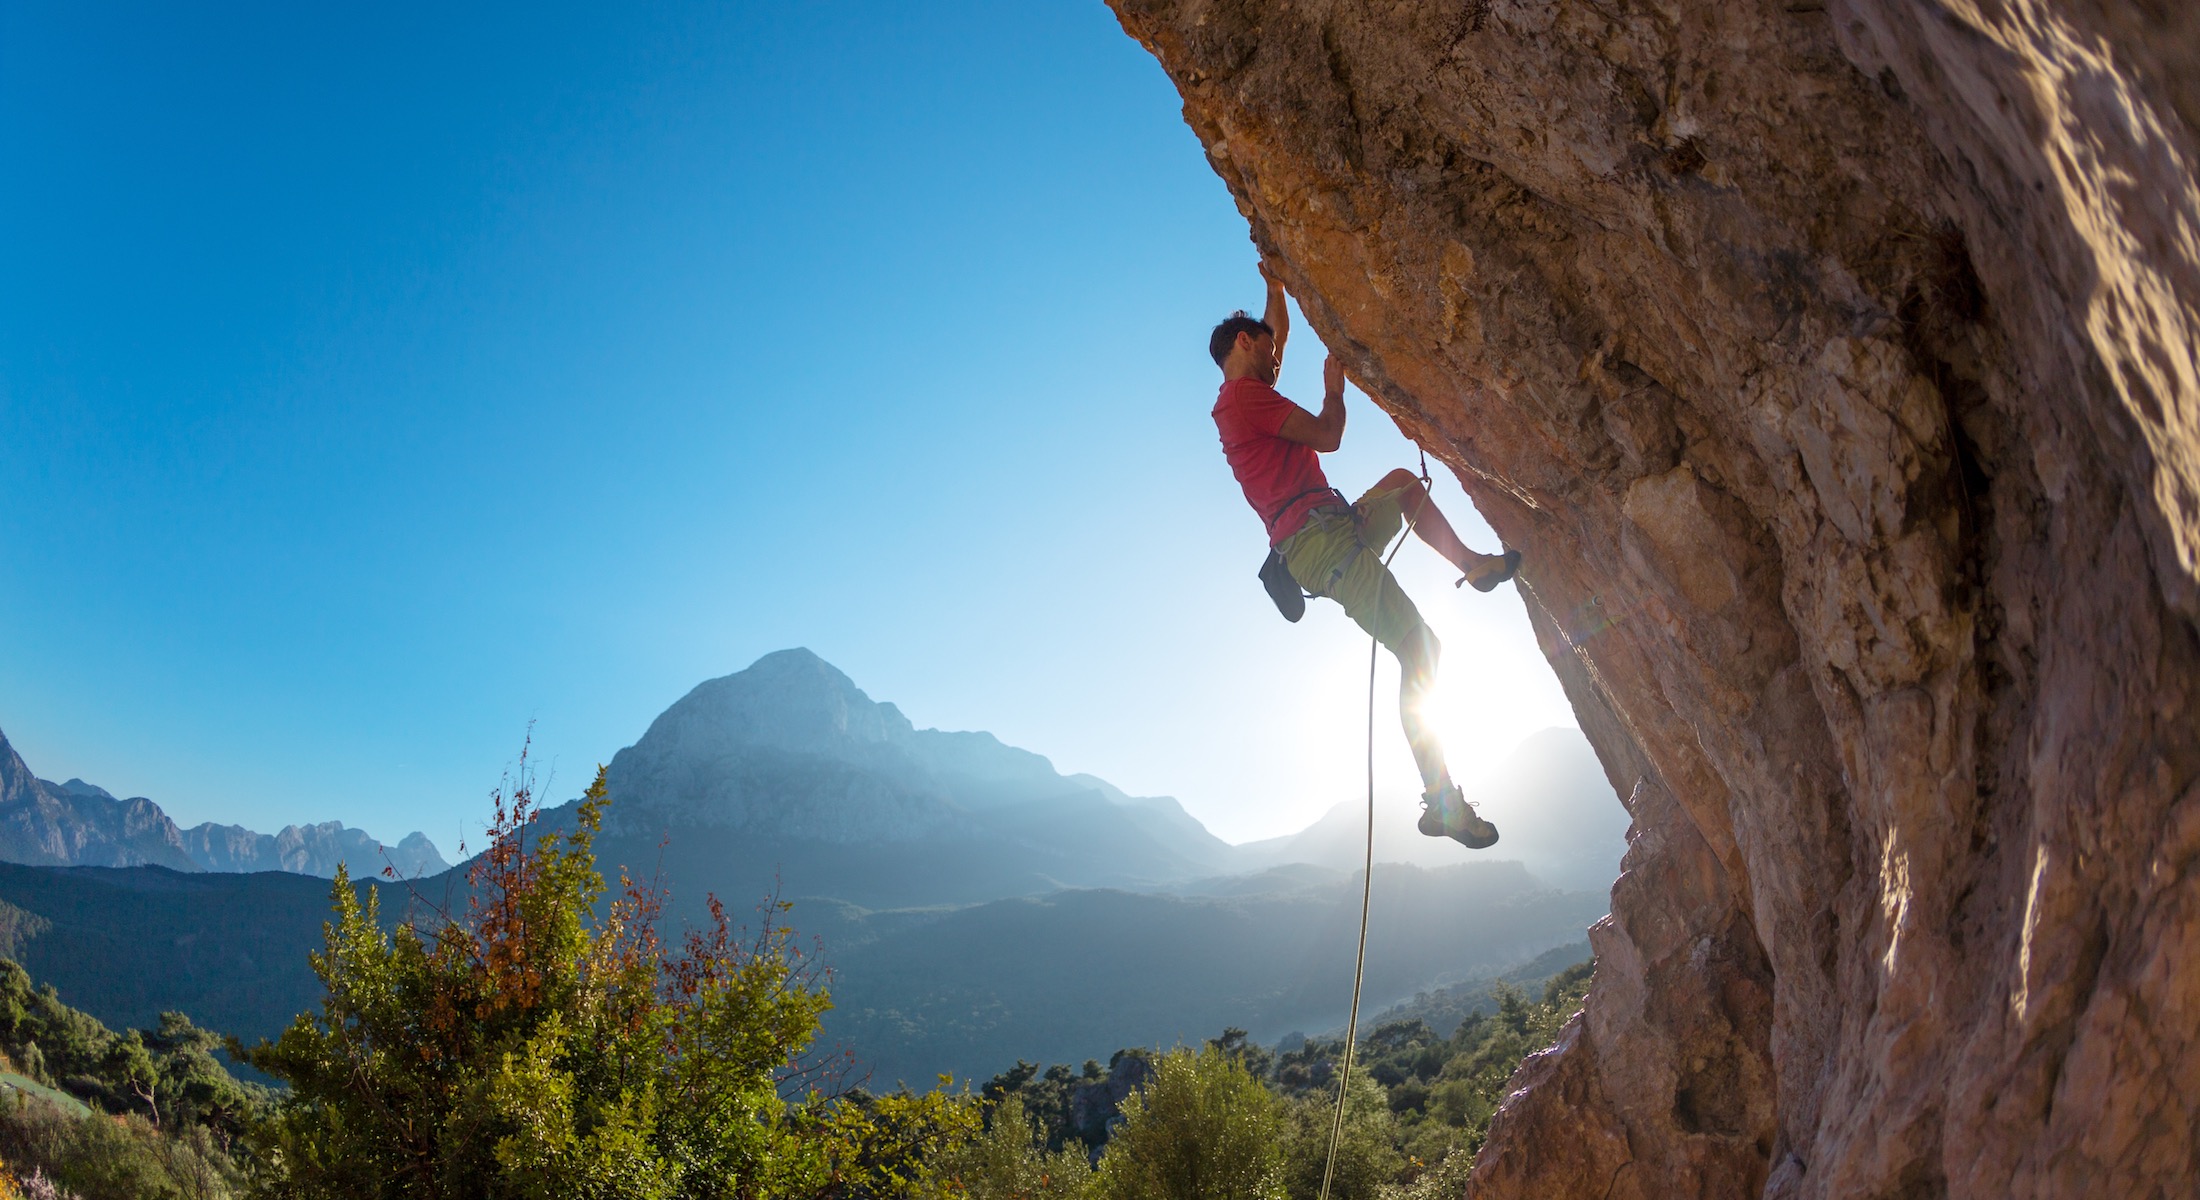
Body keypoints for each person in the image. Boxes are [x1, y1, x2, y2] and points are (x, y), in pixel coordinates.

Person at [1211, 265, 1521, 848]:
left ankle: (1473, 566)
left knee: (1404, 483)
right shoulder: (1242, 400)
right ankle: (1442, 802)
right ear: (1243, 345)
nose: (1279, 360)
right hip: (1319, 544)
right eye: (1269, 350)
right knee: (1420, 647)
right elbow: (1329, 436)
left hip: (1327, 526)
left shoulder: (1247, 395)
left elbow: (1273, 333)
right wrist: (1333, 393)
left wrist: (1275, 289)